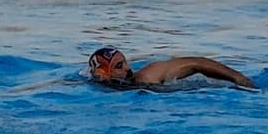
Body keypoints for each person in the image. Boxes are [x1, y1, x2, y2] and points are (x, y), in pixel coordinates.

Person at [88, 47, 257, 89]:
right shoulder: (94, 87)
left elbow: (197, 63)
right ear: (104, 73)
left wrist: (237, 77)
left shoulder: (149, 75)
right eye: (119, 66)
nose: (127, 68)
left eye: (125, 62)